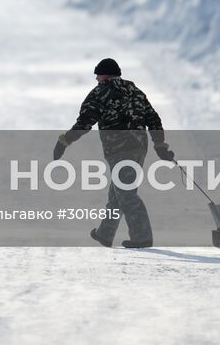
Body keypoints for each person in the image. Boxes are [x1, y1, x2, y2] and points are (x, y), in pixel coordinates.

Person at [52, 58, 173, 249]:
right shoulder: (135, 91)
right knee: (118, 192)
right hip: (139, 148)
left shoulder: (102, 92)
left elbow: (85, 121)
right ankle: (105, 233)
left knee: (126, 193)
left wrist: (65, 140)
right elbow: (153, 118)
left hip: (119, 149)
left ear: (105, 75)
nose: (96, 79)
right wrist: (160, 145)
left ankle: (142, 237)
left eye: (98, 75)